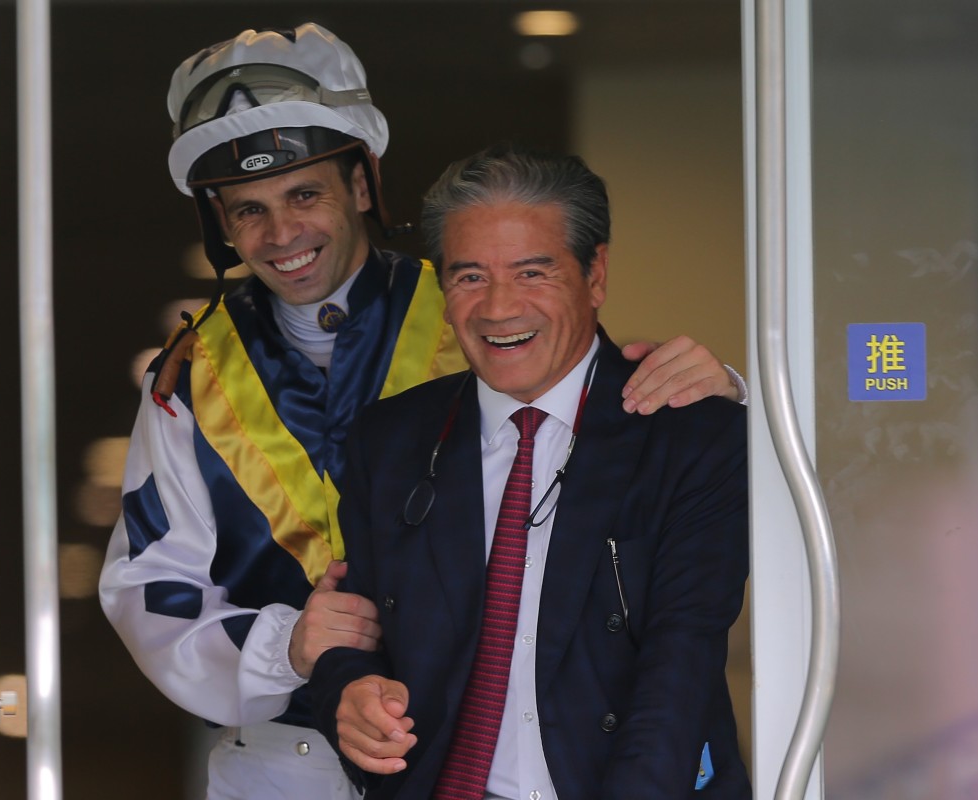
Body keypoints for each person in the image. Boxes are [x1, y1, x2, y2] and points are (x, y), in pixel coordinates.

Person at [98, 23, 745, 800]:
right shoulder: (190, 374)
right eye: (247, 210)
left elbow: (612, 414)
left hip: (486, 751)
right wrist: (287, 647)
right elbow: (148, 587)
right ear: (220, 224)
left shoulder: (474, 302)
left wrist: (728, 390)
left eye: (305, 194)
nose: (282, 233)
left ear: (361, 185)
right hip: (284, 760)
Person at [309, 143, 750, 799]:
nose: (498, 308)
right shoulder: (391, 439)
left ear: (595, 274)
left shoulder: (689, 434)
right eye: (469, 277)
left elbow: (680, 664)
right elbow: (357, 629)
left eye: (532, 273)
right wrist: (346, 691)